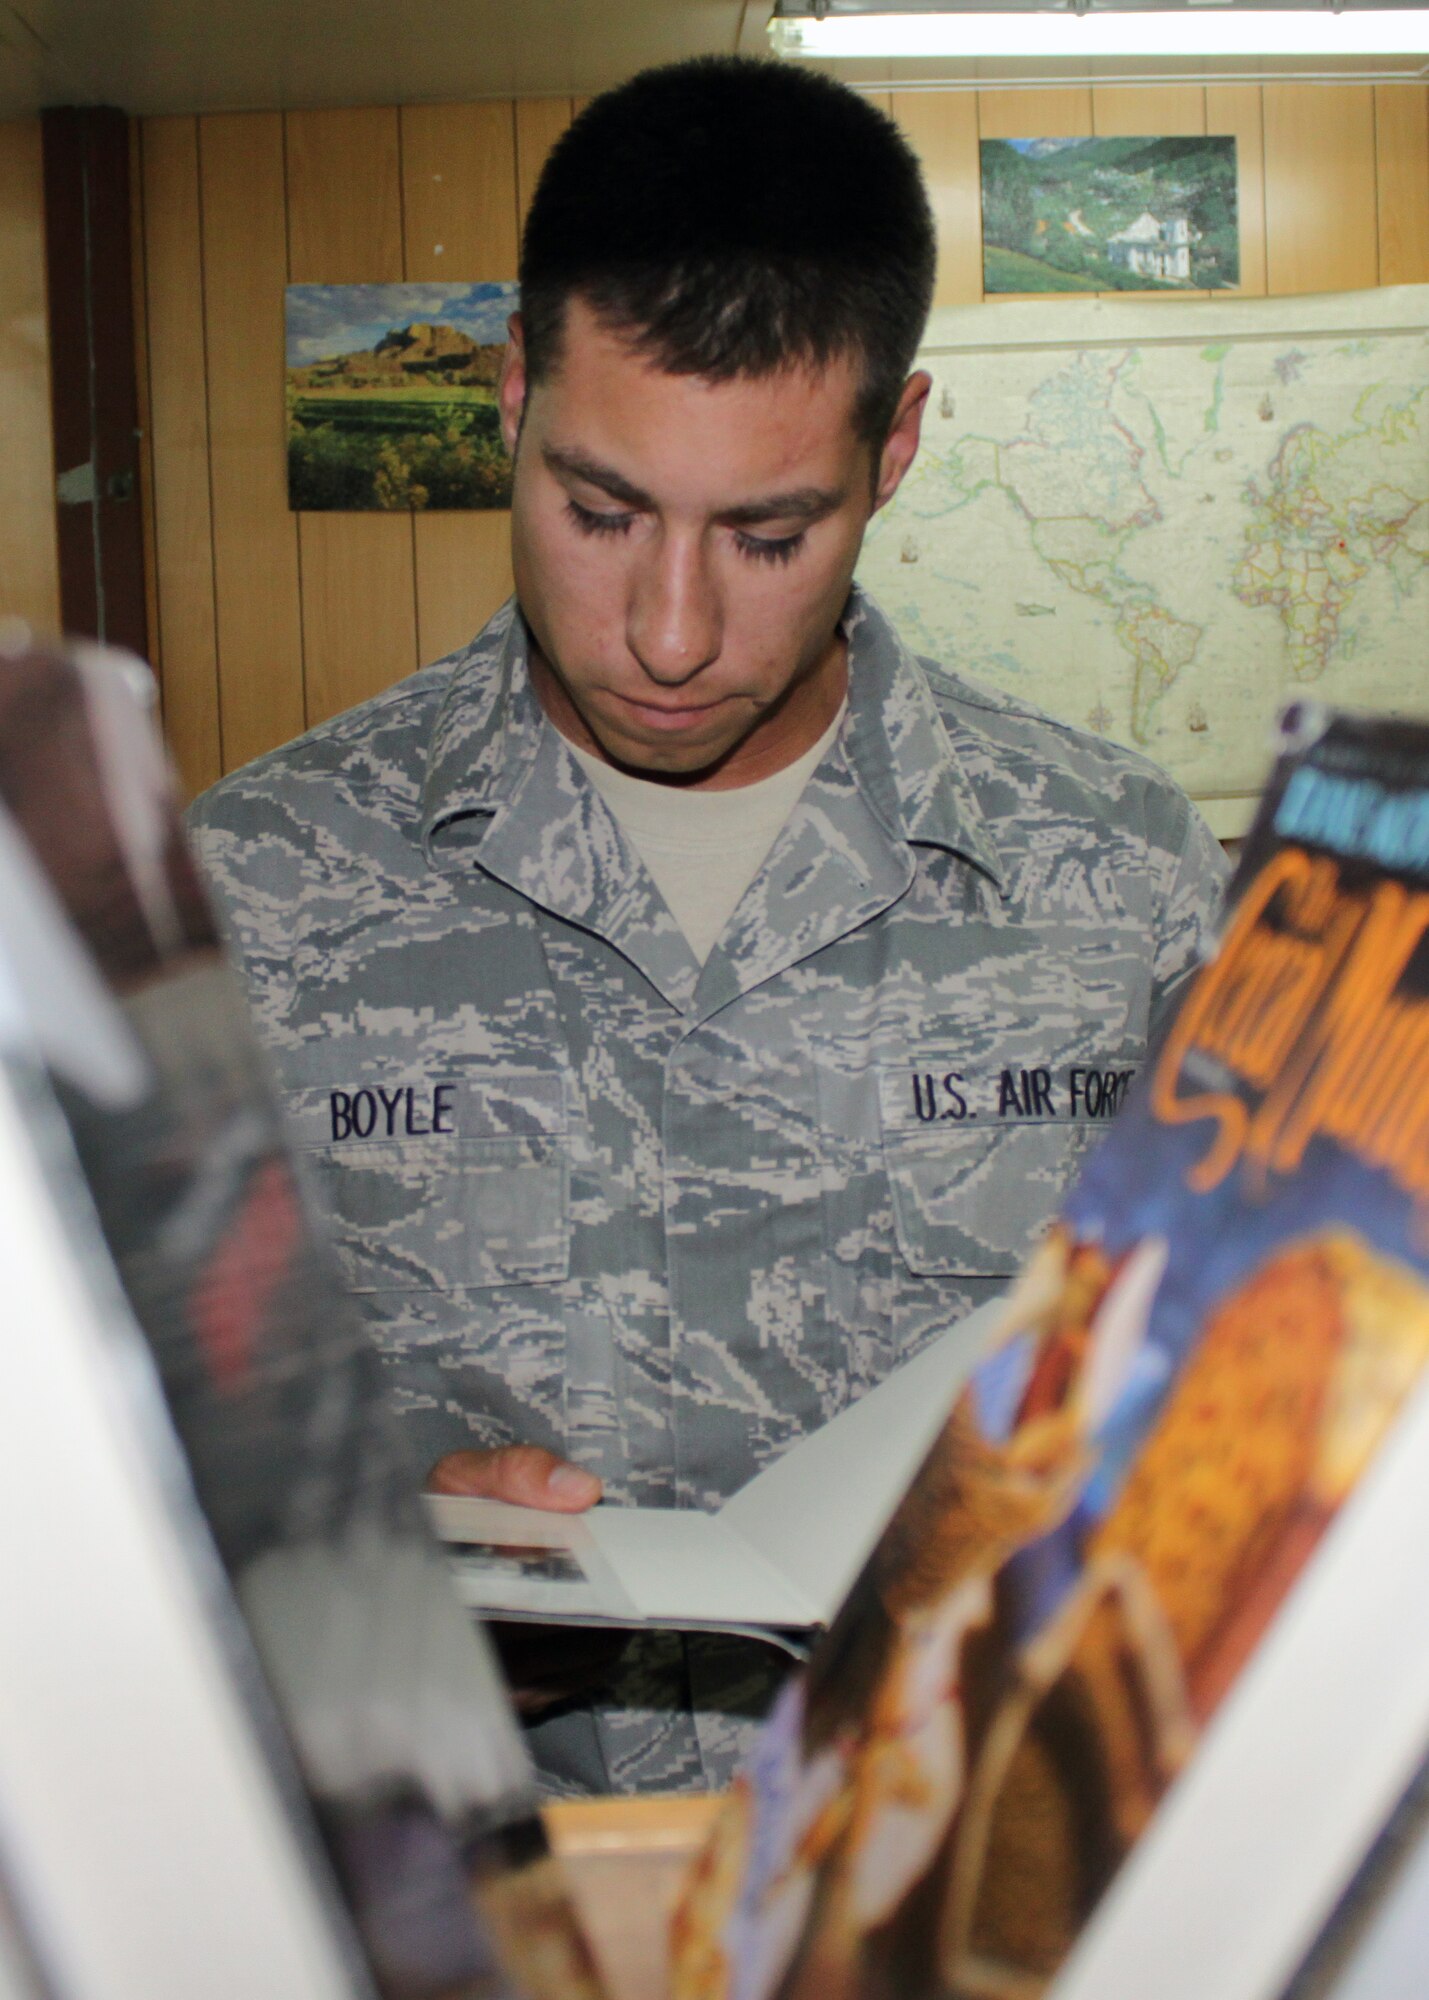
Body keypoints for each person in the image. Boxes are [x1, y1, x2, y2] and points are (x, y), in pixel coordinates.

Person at [189, 55, 1227, 1796]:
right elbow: (124, 1471)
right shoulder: (255, 887)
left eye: (767, 532)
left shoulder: (1117, 884)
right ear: (512, 395)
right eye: (600, 513)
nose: (668, 633)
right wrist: (346, 1583)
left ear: (891, 452)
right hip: (468, 1895)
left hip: (955, 1884)